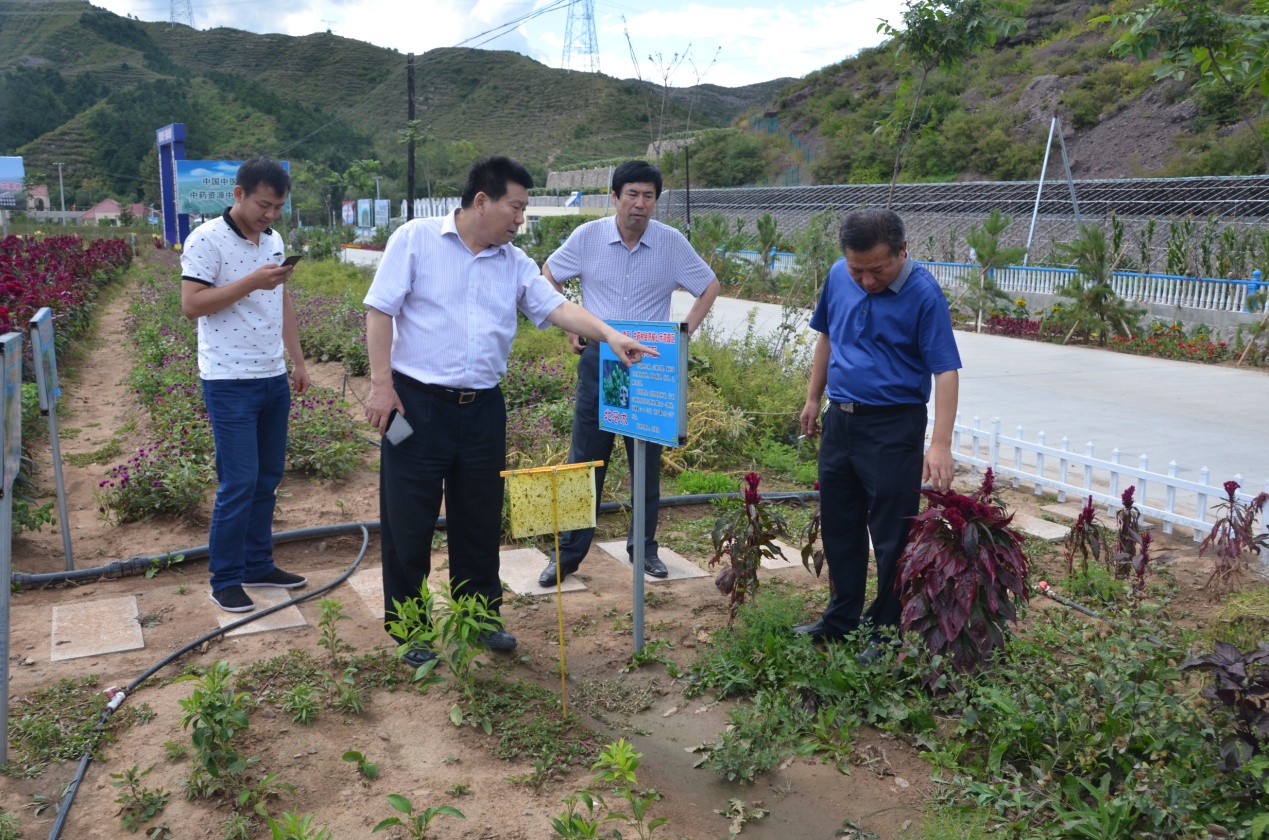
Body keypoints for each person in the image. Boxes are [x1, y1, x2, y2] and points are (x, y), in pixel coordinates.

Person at [363, 156, 656, 667]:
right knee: (408, 520)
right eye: (516, 207)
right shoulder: (415, 240)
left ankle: (479, 617)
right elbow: (380, 309)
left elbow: (554, 306)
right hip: (416, 403)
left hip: (482, 409)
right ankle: (410, 629)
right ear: (483, 201)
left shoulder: (514, 261)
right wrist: (381, 386)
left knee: (478, 519)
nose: (521, 219)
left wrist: (608, 333)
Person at [536, 161, 719, 587]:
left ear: (656, 200)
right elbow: (548, 276)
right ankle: (567, 553)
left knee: (645, 460)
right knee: (585, 459)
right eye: (632, 194)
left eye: (649, 196)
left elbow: (709, 285)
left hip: (650, 366)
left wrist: (684, 333)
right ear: (614, 197)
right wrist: (570, 326)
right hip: (601, 362)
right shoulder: (588, 237)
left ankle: (644, 550)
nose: (640, 204)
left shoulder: (671, 243)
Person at [797, 207, 961, 655]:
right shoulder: (838, 276)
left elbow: (945, 370)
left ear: (903, 251)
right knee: (840, 522)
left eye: (878, 270)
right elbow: (827, 336)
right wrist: (814, 398)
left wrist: (940, 444)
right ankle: (841, 617)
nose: (867, 281)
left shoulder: (924, 294)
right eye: (858, 270)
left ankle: (886, 631)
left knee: (893, 534)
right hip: (841, 419)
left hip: (893, 425)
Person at [180, 157, 310, 613]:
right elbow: (192, 304)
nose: (270, 215)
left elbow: (282, 304)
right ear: (237, 194)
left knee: (267, 479)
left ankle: (258, 563)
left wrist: (297, 361)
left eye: (277, 207)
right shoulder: (206, 240)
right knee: (238, 482)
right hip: (229, 380)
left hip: (271, 377)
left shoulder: (273, 240)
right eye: (263, 204)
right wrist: (252, 280)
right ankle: (226, 578)